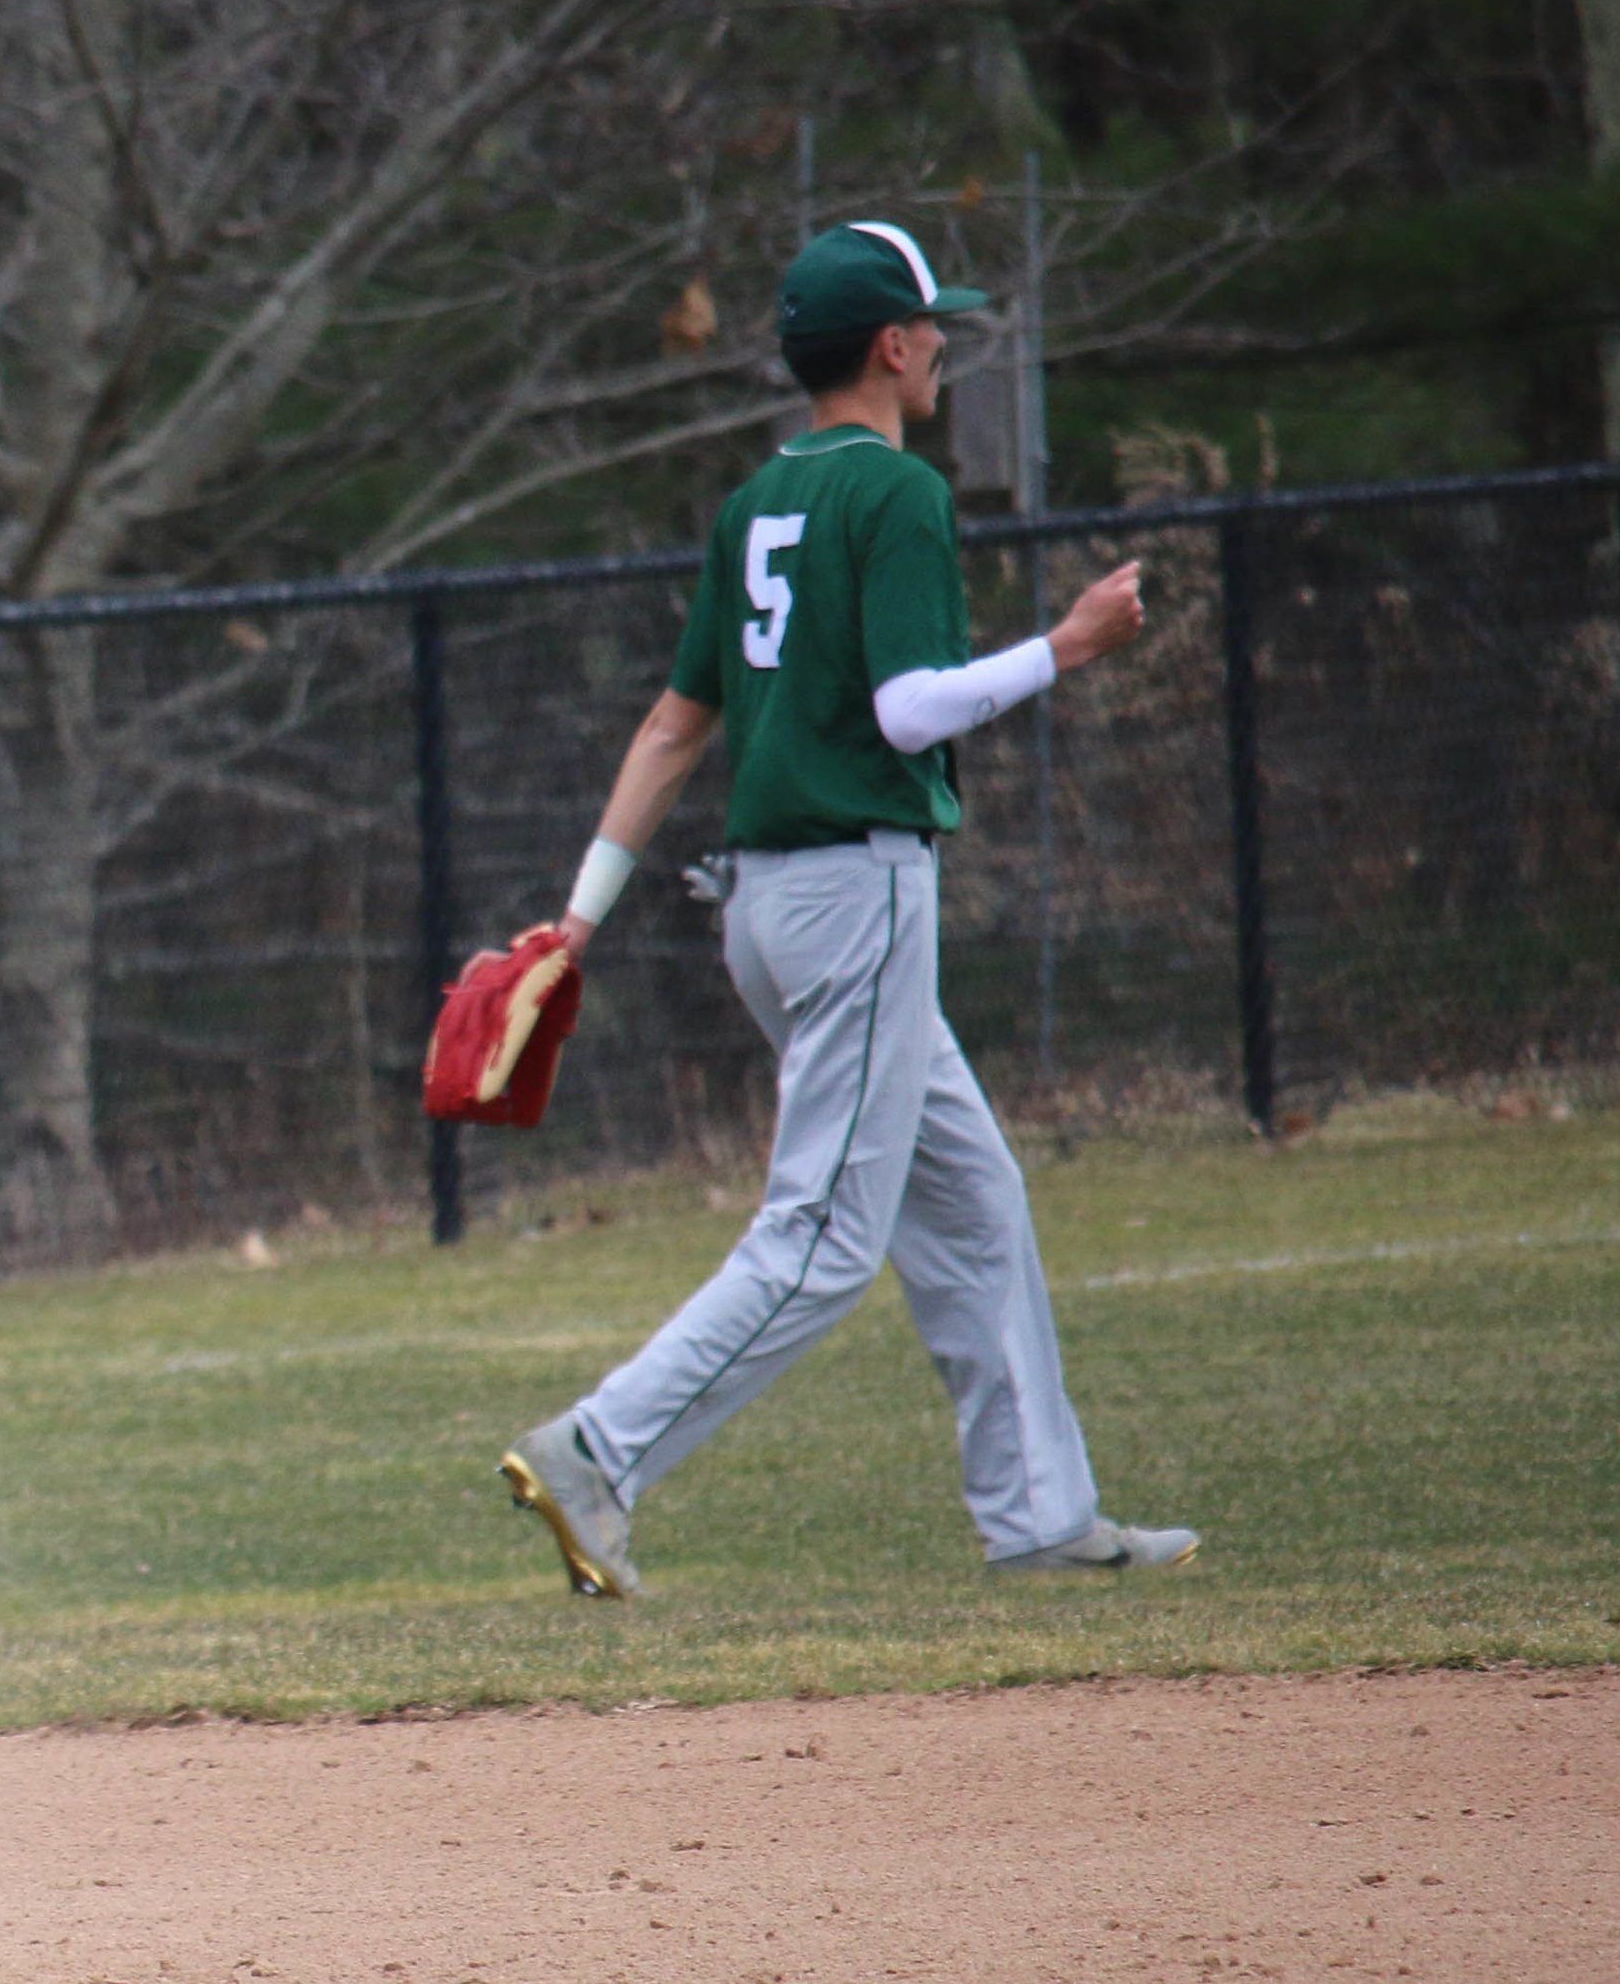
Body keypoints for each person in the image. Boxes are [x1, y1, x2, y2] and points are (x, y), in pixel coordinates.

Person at [500, 220, 1200, 1597]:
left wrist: (579, 915)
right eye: (934, 323)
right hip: (855, 887)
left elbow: (670, 723)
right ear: (891, 345)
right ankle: (599, 1447)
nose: (945, 341)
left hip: (767, 907)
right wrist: (1062, 647)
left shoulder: (754, 500)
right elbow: (906, 708)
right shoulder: (895, 493)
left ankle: (1043, 1518)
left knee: (974, 1200)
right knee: (820, 1242)